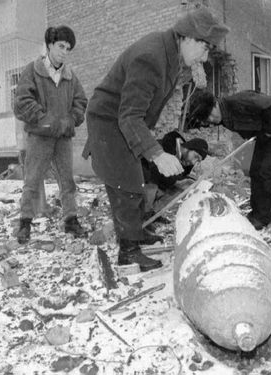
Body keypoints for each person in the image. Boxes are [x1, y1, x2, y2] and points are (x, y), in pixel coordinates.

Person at [83, 8, 229, 272]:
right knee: (125, 181)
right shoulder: (151, 57)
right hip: (110, 122)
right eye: (205, 48)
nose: (205, 57)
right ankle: (128, 252)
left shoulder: (170, 54)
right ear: (188, 38)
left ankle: (135, 232)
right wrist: (157, 153)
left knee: (139, 177)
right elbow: (129, 116)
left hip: (124, 119)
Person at [188, 89, 271, 230]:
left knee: (268, 172)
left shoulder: (238, 102)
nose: (211, 121)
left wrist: (268, 130)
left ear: (214, 104)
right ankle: (256, 214)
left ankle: (262, 219)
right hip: (266, 134)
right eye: (206, 120)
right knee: (255, 170)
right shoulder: (222, 116)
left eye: (210, 115)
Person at [14, 25, 88, 244]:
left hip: (63, 137)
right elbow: (22, 101)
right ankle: (25, 223)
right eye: (60, 46)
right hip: (39, 136)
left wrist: (70, 120)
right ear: (49, 46)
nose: (64, 51)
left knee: (67, 181)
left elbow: (81, 102)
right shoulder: (33, 71)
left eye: (68, 48)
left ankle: (71, 220)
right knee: (32, 180)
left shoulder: (70, 76)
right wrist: (44, 120)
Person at [142, 130, 208, 190]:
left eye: (197, 161)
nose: (193, 162)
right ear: (189, 147)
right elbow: (150, 172)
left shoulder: (184, 164)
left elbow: (177, 177)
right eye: (195, 156)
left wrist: (181, 181)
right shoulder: (161, 148)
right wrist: (174, 182)